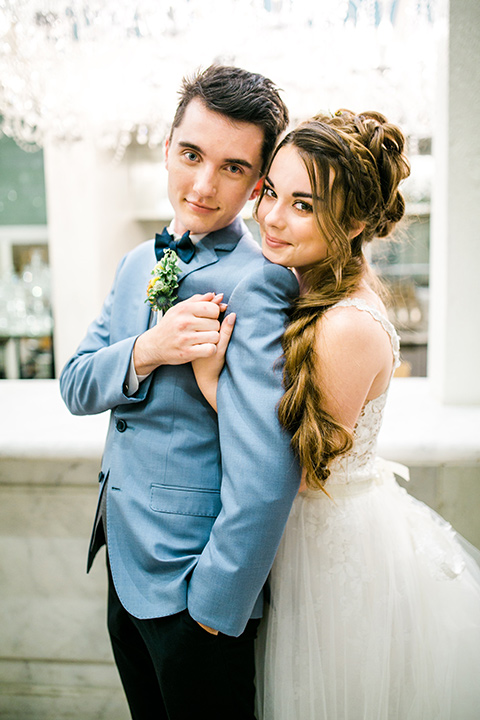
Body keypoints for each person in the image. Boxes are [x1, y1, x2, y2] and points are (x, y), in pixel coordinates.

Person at [193, 110, 480, 719]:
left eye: (303, 204)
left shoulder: (345, 323)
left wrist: (214, 386)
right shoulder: (304, 287)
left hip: (327, 552)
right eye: (271, 192)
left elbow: (298, 469)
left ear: (351, 222)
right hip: (298, 536)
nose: (270, 216)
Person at [59, 64, 301, 720]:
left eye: (231, 167)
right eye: (191, 154)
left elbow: (269, 471)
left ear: (256, 185)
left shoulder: (260, 284)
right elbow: (76, 384)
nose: (202, 184)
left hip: (193, 592)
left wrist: (213, 612)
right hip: (123, 563)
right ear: (167, 147)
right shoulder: (138, 261)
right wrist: (150, 349)